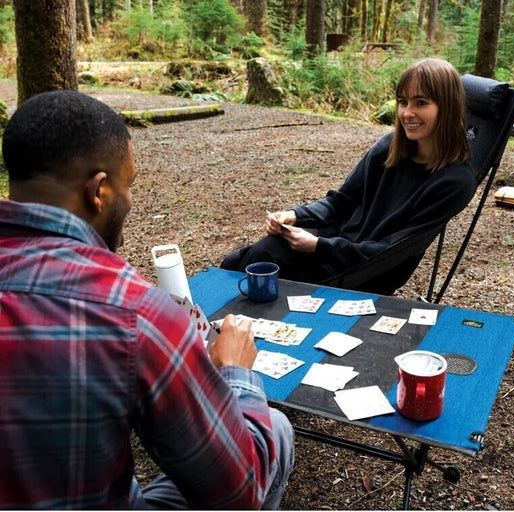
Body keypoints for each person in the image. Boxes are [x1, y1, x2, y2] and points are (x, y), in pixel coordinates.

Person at [0, 90, 294, 509]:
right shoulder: (133, 313)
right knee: (275, 430)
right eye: (130, 184)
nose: (131, 200)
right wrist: (235, 374)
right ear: (97, 192)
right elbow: (237, 493)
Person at [221, 58, 477, 294]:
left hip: (365, 269)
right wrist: (296, 215)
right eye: (402, 102)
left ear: (447, 107)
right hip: (338, 240)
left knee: (259, 263)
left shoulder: (454, 182)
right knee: (241, 260)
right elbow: (340, 202)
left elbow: (393, 251)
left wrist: (318, 245)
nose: (407, 113)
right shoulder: (389, 148)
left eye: (421, 103)